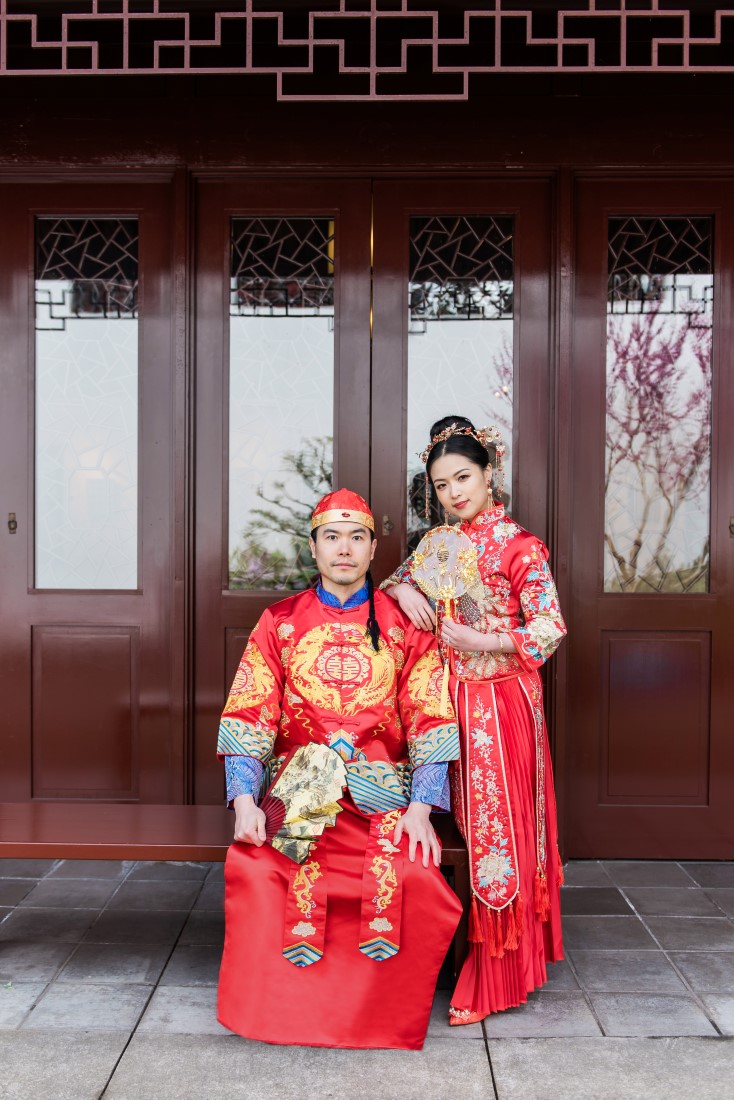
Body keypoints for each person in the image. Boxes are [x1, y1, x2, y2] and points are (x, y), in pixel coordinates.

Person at [216, 488, 462, 1049]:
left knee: (415, 877)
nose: (344, 549)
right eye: (332, 537)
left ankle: (372, 1017)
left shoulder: (406, 624)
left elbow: (430, 717)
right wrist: (247, 801)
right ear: (314, 547)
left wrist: (423, 809)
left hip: (382, 799)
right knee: (257, 869)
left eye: (357, 538)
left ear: (374, 547)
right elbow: (250, 713)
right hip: (299, 798)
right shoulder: (278, 622)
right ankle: (277, 1012)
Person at [382, 416, 566, 1025]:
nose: (454, 493)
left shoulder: (520, 546)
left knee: (496, 834)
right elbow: (391, 593)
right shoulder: (433, 547)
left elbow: (549, 627)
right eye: (440, 485)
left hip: (498, 705)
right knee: (430, 825)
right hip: (438, 701)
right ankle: (423, 948)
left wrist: (482, 640)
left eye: (463, 477)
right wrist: (399, 589)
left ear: (490, 474)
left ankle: (498, 971)